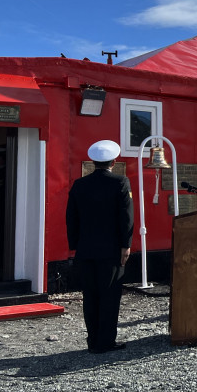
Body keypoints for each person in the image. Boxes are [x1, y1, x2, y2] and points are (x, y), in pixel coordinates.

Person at [66, 140, 134, 353]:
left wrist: (75, 244)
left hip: (85, 250)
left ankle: (93, 341)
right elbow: (126, 217)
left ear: (93, 162)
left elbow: (71, 218)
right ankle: (105, 342)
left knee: (90, 295)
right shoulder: (120, 182)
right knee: (109, 296)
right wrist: (126, 244)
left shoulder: (79, 184)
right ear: (113, 161)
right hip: (111, 250)